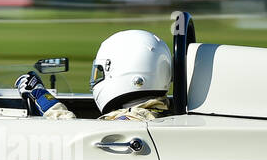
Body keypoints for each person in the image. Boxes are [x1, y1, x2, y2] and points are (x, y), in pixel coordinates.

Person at [15, 30, 173, 121]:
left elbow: (76, 136)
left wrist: (42, 98)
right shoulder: (155, 112)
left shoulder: (134, 122)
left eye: (101, 71)